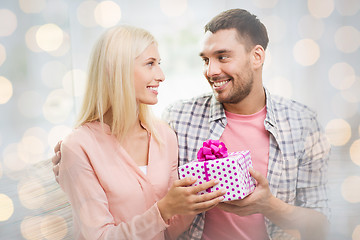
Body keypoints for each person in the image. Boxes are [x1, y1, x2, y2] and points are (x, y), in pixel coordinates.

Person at [53, 9, 331, 240]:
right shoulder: (179, 120)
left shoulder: (302, 123)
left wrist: (270, 206)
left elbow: (322, 224)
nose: (211, 71)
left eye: (222, 57)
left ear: (257, 56)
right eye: (206, 60)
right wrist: (72, 160)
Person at [56, 25, 226, 240]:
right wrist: (163, 210)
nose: (161, 75)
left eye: (159, 64)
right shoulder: (78, 146)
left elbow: (169, 232)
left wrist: (196, 199)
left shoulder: (163, 136)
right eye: (150, 64)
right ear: (116, 69)